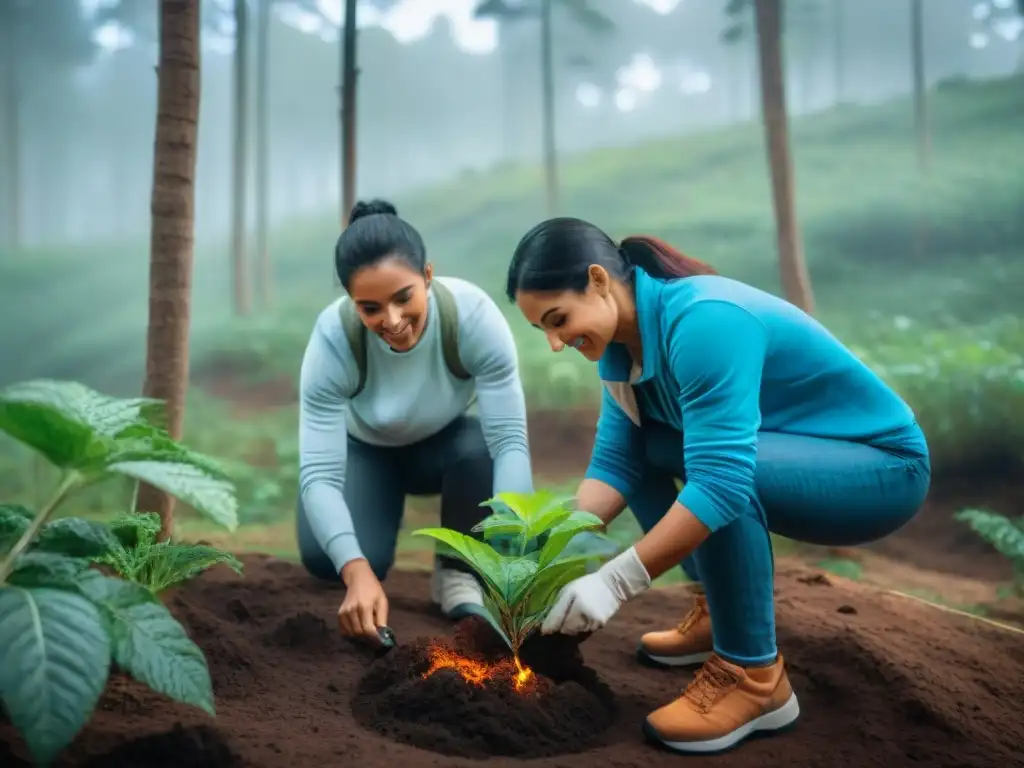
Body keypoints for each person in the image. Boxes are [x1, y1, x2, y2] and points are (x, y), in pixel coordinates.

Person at [505, 217, 930, 755]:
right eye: (542, 329)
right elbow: (616, 467)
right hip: (788, 454)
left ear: (598, 281)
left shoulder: (704, 321)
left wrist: (614, 582)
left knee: (730, 477)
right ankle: (719, 607)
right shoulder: (620, 354)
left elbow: (724, 483)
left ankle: (754, 679)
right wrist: (545, 555)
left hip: (881, 467)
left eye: (557, 320)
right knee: (652, 445)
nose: (555, 344)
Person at [297, 198, 533, 646]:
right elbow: (321, 476)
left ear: (427, 274)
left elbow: (510, 444)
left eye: (403, 297)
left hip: (446, 447)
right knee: (327, 560)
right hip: (363, 452)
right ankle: (367, 534)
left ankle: (458, 572)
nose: (392, 321)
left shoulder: (473, 317)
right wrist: (356, 571)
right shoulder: (332, 339)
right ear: (351, 301)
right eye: (370, 308)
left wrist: (511, 559)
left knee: (483, 444)